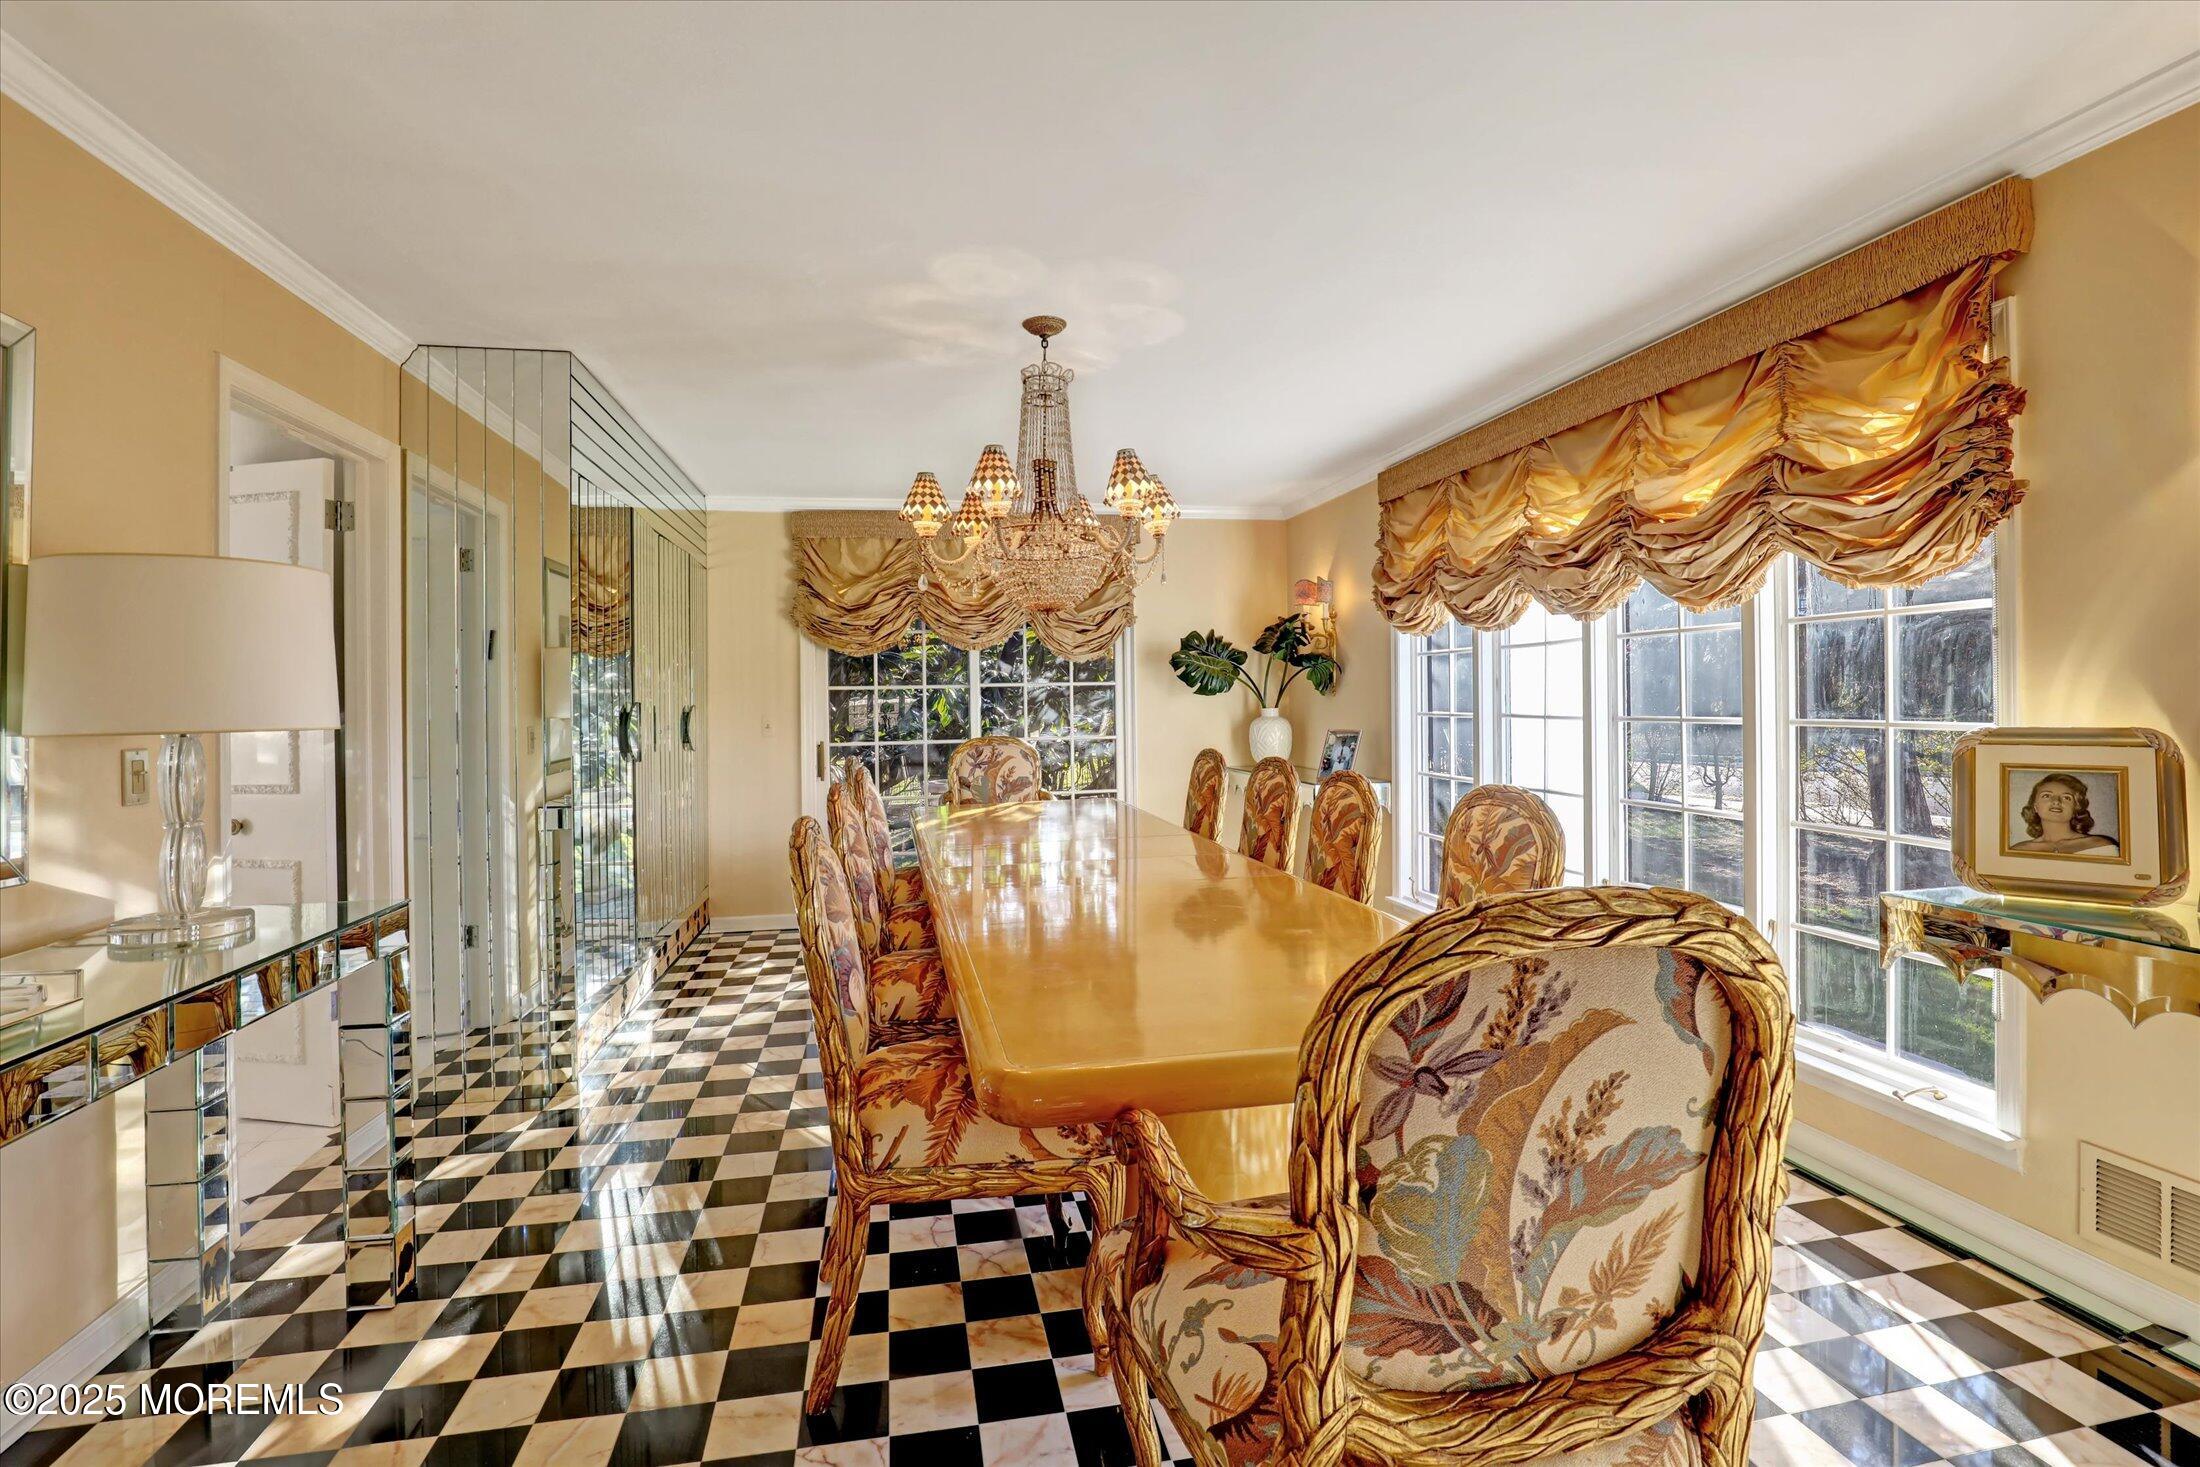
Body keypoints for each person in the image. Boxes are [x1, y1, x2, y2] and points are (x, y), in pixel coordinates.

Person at [2010, 772, 2120, 855]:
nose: (2056, 801)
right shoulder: (2017, 851)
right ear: (2035, 807)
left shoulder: (2102, 847)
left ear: (2076, 808)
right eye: (2046, 795)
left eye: (2066, 797)